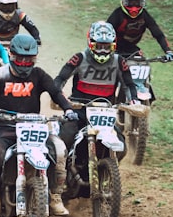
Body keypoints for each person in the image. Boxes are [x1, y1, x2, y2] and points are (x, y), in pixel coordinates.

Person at [0, 34, 78, 217]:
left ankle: (55, 195)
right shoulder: (0, 73)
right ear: (12, 55)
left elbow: (56, 92)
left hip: (34, 128)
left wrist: (68, 109)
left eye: (29, 59)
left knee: (60, 150)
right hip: (6, 128)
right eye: (20, 59)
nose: (24, 63)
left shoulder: (38, 74)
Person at [53, 20, 138, 151]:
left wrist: (134, 101)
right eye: (99, 46)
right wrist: (58, 94)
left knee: (122, 147)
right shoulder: (79, 58)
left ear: (113, 46)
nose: (103, 51)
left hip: (105, 114)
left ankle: (109, 167)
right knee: (66, 138)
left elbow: (129, 85)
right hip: (79, 110)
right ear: (91, 43)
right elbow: (60, 79)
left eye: (107, 47)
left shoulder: (119, 61)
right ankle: (64, 169)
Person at [106, 0, 173, 61]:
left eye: (137, 3)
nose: (134, 8)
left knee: (142, 63)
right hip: (114, 48)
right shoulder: (117, 15)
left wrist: (168, 51)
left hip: (131, 48)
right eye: (130, 3)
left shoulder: (144, 15)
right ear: (123, 2)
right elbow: (105, 33)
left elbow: (158, 34)